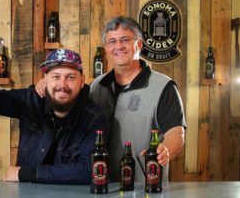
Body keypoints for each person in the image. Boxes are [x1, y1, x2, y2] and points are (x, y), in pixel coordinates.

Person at [36, 16, 186, 183]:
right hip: (99, 184)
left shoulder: (163, 86)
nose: (118, 46)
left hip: (142, 187)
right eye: (112, 41)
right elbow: (67, 98)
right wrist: (48, 84)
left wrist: (166, 149)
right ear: (106, 49)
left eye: (125, 40)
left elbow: (176, 132)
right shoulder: (96, 86)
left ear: (139, 45)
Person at [0, 48, 108, 184]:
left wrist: (25, 173)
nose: (62, 84)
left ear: (82, 81)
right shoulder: (30, 100)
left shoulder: (94, 117)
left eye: (70, 77)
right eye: (56, 77)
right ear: (46, 79)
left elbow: (91, 170)